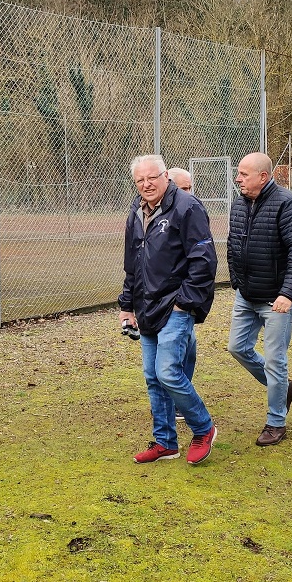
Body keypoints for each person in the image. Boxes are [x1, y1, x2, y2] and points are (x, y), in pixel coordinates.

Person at [119, 154, 219, 465]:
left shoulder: (188, 208)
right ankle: (165, 442)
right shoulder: (136, 213)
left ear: (166, 177)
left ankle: (203, 428)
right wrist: (127, 306)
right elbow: (133, 265)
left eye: (152, 177)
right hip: (146, 307)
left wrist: (183, 303)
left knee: (168, 372)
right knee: (153, 376)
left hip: (175, 306)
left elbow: (204, 260)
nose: (146, 184)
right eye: (140, 180)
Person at [226, 152, 292, 447]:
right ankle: (284, 389)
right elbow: (233, 243)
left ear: (263, 177)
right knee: (237, 348)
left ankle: (276, 422)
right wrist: (237, 281)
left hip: (277, 300)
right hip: (246, 295)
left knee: (275, 361)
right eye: (238, 173)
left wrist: (288, 294)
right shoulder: (239, 203)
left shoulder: (287, 204)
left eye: (244, 174)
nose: (238, 178)